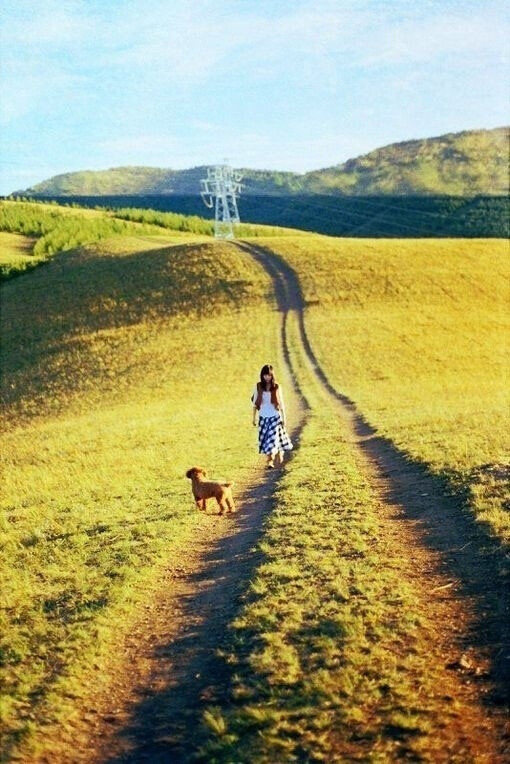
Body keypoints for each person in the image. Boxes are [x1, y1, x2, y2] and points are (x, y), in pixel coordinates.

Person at [252, 364, 293, 468]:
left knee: (274, 439)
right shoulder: (258, 386)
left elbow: (281, 403)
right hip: (263, 417)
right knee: (266, 440)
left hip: (275, 416)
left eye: (269, 375)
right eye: (265, 375)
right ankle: (270, 460)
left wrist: (284, 418)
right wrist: (253, 418)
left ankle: (274, 457)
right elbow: (254, 404)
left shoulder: (277, 387)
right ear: (262, 375)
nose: (267, 377)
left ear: (272, 375)